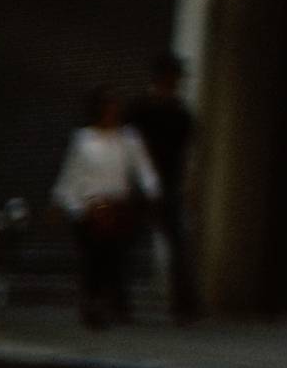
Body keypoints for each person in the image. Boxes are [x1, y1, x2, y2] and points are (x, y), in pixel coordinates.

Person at [51, 85, 160, 329]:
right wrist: (64, 201)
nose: (113, 113)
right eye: (108, 108)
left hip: (117, 206)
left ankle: (116, 303)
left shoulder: (128, 140)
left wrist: (153, 193)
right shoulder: (83, 139)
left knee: (115, 256)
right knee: (92, 257)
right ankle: (92, 304)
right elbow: (71, 174)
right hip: (90, 206)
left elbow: (144, 169)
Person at [127, 56, 199, 323]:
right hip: (139, 185)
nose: (175, 84)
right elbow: (126, 146)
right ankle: (118, 300)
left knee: (177, 242)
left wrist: (188, 183)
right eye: (172, 78)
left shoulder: (181, 113)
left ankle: (184, 305)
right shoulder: (140, 109)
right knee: (128, 241)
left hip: (168, 185)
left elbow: (187, 153)